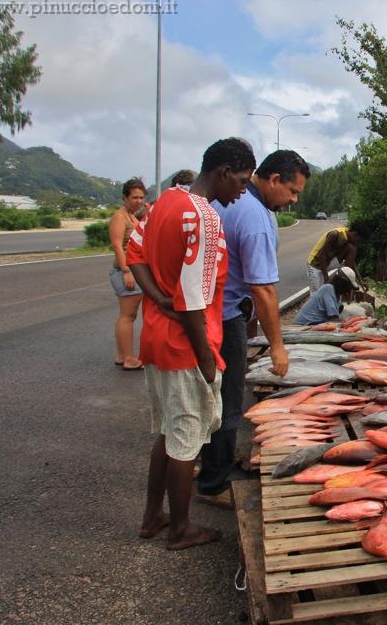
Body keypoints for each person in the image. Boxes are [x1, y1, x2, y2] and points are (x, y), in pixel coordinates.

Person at [126, 137, 255, 550]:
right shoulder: (203, 218)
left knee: (167, 433)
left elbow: (136, 255)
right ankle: (181, 528)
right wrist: (207, 361)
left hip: (156, 340)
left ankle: (153, 517)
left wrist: (157, 297)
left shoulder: (164, 201)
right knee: (186, 440)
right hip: (186, 347)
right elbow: (194, 301)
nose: (242, 191)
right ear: (223, 172)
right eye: (241, 181)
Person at [194, 150, 309, 508]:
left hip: (210, 313)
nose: (292, 201)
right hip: (225, 318)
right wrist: (277, 345)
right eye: (292, 192)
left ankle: (204, 462)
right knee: (228, 403)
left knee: (210, 396)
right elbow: (262, 288)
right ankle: (214, 484)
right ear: (273, 180)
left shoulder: (232, 201)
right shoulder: (256, 216)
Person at [108, 178, 147, 370]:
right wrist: (126, 271)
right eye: (134, 197)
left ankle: (123, 354)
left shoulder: (133, 217)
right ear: (125, 197)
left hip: (132, 269)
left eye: (141, 197)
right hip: (126, 270)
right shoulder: (120, 217)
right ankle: (129, 358)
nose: (138, 201)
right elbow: (117, 245)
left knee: (128, 315)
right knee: (127, 315)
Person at [306, 222, 370, 292]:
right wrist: (327, 279)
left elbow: (352, 262)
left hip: (327, 263)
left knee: (352, 248)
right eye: (359, 240)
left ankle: (348, 281)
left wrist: (361, 281)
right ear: (355, 234)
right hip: (315, 265)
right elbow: (321, 256)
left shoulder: (349, 238)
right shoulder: (334, 234)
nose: (358, 243)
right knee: (317, 295)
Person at [294, 267, 360, 325]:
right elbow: (333, 320)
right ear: (342, 283)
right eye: (348, 287)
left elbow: (337, 313)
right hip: (304, 325)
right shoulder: (328, 289)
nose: (348, 290)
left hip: (313, 324)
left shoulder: (336, 295)